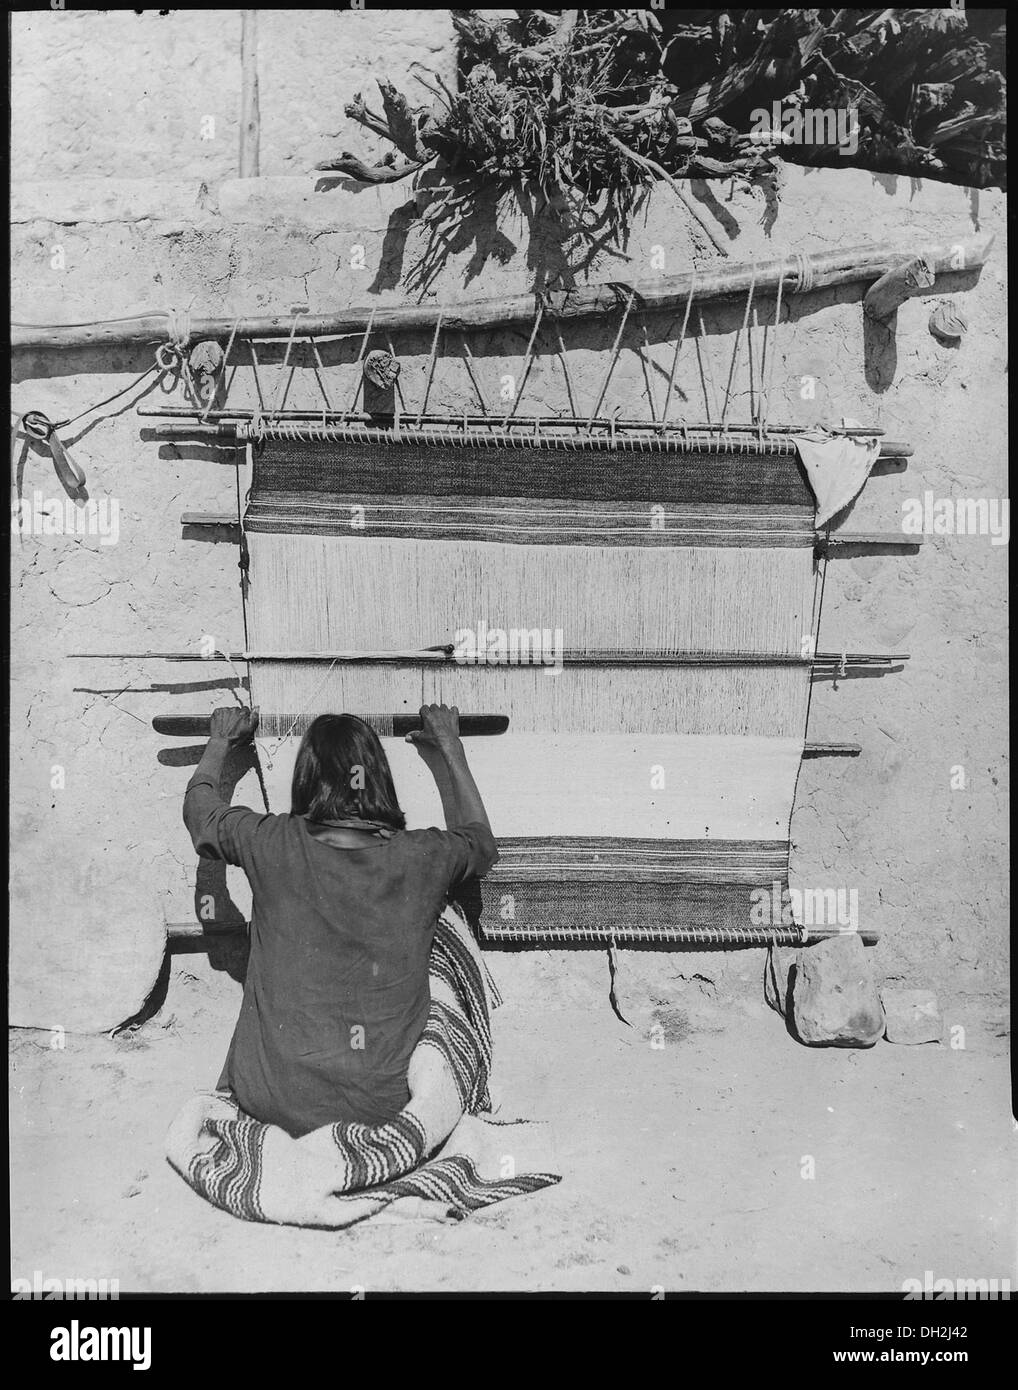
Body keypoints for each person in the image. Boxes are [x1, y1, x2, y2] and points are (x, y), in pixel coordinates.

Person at [182, 703, 497, 1139]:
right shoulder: (425, 856)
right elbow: (482, 843)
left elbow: (202, 816)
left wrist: (219, 742)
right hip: (383, 1106)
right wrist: (449, 743)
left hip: (272, 1100)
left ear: (306, 779)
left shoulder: (269, 841)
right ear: (378, 778)